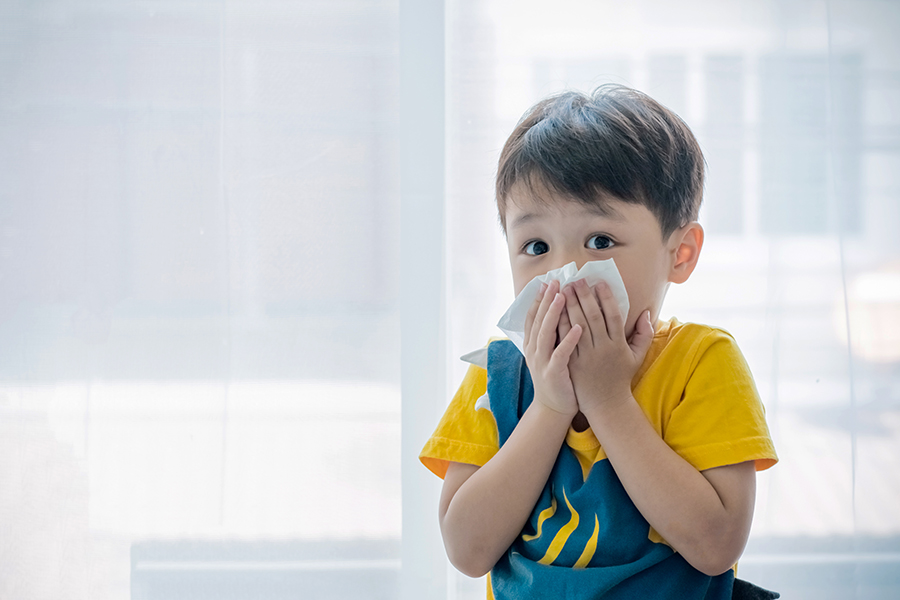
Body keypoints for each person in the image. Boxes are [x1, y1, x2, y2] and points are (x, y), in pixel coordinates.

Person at [419, 84, 779, 599]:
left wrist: (609, 400)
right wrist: (549, 405)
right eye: (535, 246)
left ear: (679, 253)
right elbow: (467, 551)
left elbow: (716, 543)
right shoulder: (498, 373)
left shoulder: (701, 361)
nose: (565, 273)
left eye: (600, 241)